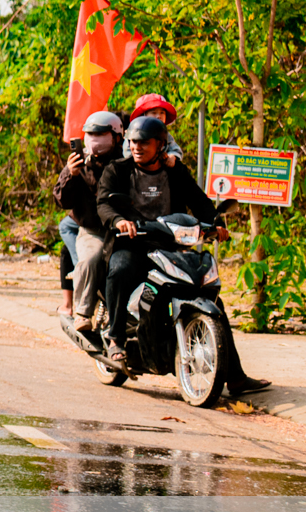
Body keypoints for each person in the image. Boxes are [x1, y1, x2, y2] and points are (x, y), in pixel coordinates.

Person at [97, 114, 267, 393]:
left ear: (160, 145)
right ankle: (115, 338)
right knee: (120, 270)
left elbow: (199, 202)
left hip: (169, 247)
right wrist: (118, 221)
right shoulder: (117, 170)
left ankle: (234, 376)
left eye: (145, 142)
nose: (137, 147)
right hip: (132, 244)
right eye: (134, 142)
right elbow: (104, 204)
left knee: (211, 297)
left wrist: (215, 224)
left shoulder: (175, 172)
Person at [58, 110, 123, 327]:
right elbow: (62, 200)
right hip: (93, 230)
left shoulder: (127, 162)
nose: (95, 141)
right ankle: (83, 312)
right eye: (91, 135)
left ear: (117, 136)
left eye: (101, 135)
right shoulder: (80, 164)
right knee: (90, 259)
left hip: (125, 230)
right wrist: (71, 173)